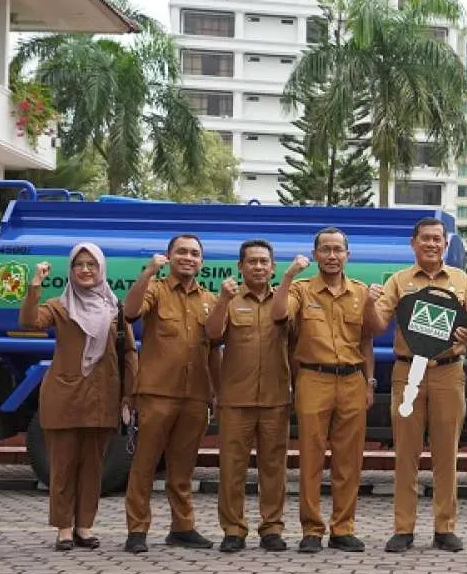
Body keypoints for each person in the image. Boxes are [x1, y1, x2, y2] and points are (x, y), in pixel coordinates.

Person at [367, 218, 467, 554]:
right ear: (413, 243)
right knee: (406, 453)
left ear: (446, 245)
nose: (432, 244)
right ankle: (403, 528)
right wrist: (368, 301)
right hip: (409, 373)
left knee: (447, 453)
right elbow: (377, 325)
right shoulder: (398, 281)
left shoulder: (460, 280)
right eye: (425, 239)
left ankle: (444, 528)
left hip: (449, 372)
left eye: (438, 239)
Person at [19, 243, 136, 551]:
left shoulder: (116, 308)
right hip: (65, 396)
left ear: (101, 269)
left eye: (91, 265)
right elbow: (30, 322)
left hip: (103, 398)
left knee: (93, 467)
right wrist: (34, 287)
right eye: (79, 265)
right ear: (70, 271)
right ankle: (64, 529)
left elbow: (129, 354)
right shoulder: (60, 306)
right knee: (63, 466)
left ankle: (84, 526)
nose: (85, 270)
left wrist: (128, 395)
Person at [273, 226, 375, 554]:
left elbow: (369, 339)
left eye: (338, 250)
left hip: (352, 380)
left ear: (348, 254)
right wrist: (288, 276)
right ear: (316, 254)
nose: (332, 256)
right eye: (325, 250)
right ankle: (312, 529)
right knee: (311, 458)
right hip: (313, 379)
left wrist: (369, 381)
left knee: (349, 460)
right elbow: (279, 314)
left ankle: (343, 529)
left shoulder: (361, 293)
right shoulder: (302, 290)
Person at [121, 234, 219, 553]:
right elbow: (131, 312)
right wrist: (148, 272)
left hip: (195, 396)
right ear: (169, 256)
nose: (188, 258)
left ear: (202, 262)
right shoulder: (156, 290)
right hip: (157, 393)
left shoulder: (210, 299)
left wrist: (215, 393)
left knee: (183, 467)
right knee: (145, 465)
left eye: (194, 253)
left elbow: (215, 347)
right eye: (182, 252)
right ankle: (137, 530)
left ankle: (182, 527)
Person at [205, 239, 292, 553]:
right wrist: (222, 301)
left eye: (264, 262)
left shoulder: (285, 300)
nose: (258, 266)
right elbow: (213, 335)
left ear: (273, 267)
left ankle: (271, 529)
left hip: (275, 398)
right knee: (232, 468)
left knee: (273, 469)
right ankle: (233, 529)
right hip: (236, 399)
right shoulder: (229, 298)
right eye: (251, 261)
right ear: (240, 267)